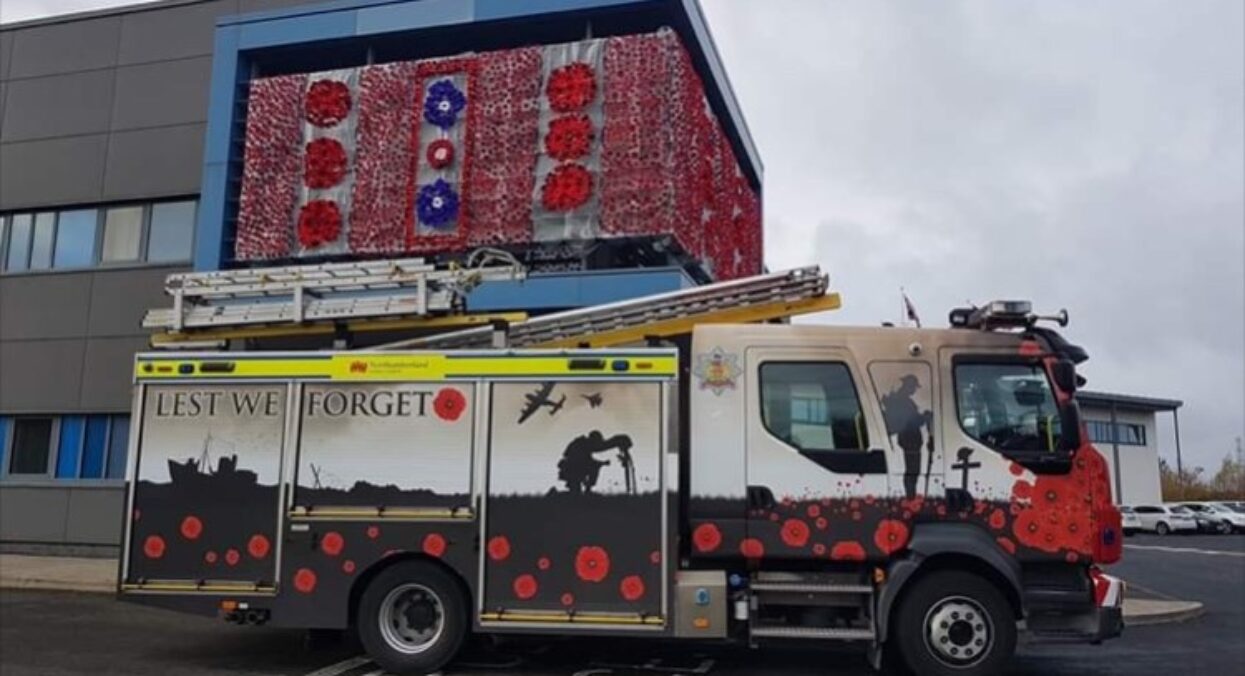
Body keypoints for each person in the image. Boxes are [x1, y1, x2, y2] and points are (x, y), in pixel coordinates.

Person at [881, 375, 933, 498]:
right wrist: (925, 417)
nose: (914, 390)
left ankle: (911, 495)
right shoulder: (903, 401)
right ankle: (910, 496)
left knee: (912, 470)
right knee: (912, 471)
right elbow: (911, 421)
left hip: (909, 439)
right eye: (913, 387)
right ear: (908, 386)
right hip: (910, 440)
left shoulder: (901, 399)